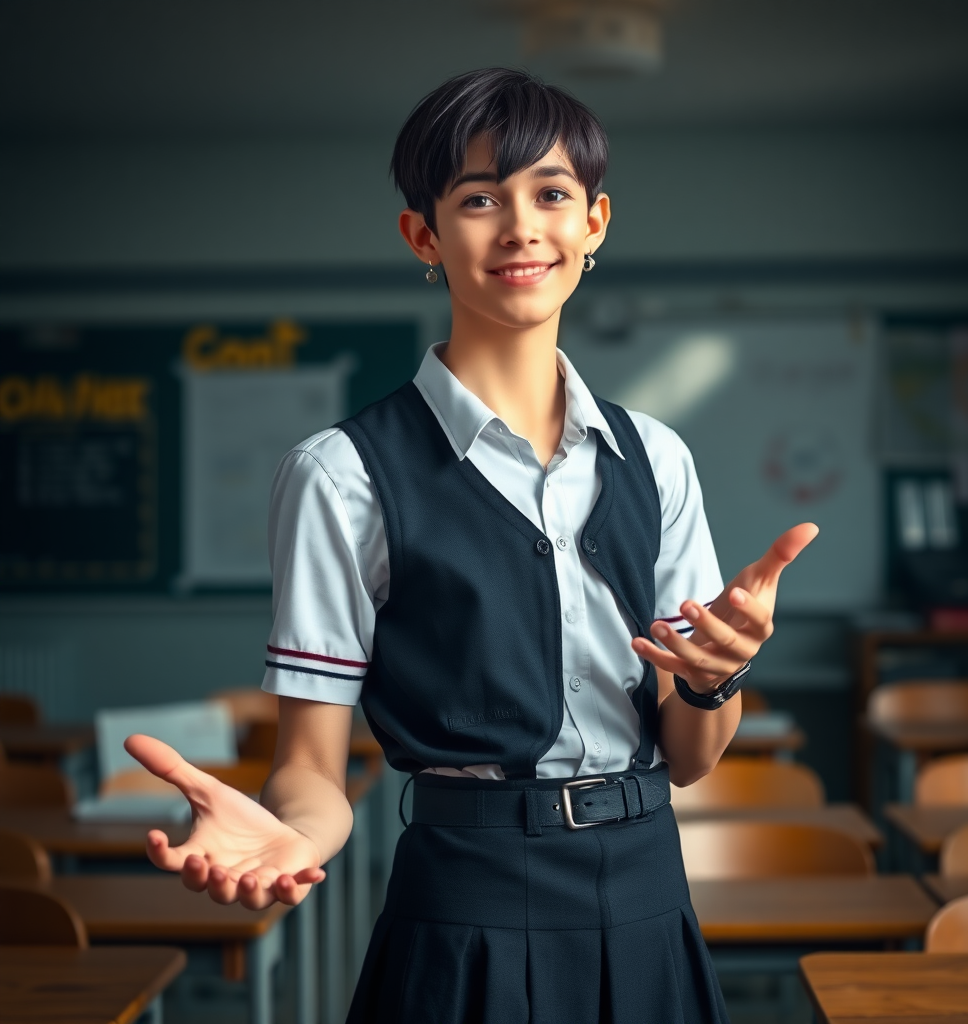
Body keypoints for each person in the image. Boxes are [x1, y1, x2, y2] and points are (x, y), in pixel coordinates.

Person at [127, 67, 818, 1023]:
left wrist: (712, 680)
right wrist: (297, 835)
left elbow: (691, 756)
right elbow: (315, 767)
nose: (521, 226)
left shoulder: (656, 457)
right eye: (480, 198)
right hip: (468, 895)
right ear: (425, 235)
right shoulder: (341, 473)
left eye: (552, 195)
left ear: (595, 223)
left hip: (650, 882)